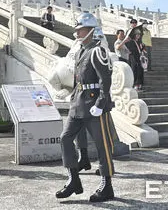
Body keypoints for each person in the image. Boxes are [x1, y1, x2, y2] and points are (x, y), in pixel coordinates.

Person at [56, 12, 115, 202]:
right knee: (65, 138)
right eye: (76, 30)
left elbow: (105, 80)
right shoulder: (81, 51)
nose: (77, 33)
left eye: (80, 29)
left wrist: (100, 104)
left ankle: (107, 186)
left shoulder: (98, 51)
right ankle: (73, 179)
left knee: (102, 146)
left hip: (94, 105)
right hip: (78, 103)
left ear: (91, 30)